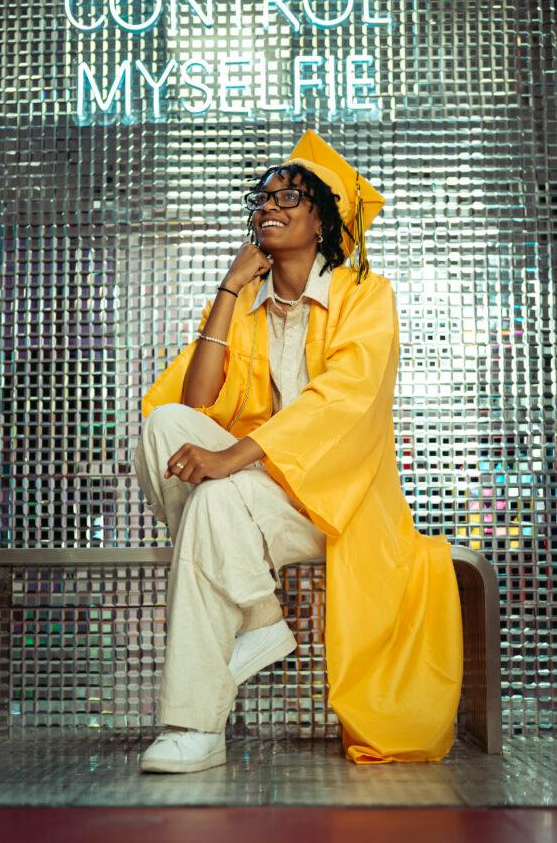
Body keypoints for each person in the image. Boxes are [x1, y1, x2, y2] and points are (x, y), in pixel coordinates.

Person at [133, 129, 463, 772]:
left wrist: (231, 459)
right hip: (255, 494)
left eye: (291, 196)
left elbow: (344, 402)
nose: (270, 207)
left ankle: (194, 724)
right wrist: (230, 290)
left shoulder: (365, 295)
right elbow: (193, 407)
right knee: (168, 430)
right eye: (265, 197)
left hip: (333, 505)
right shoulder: (248, 308)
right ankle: (258, 619)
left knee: (211, 503)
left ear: (325, 220)